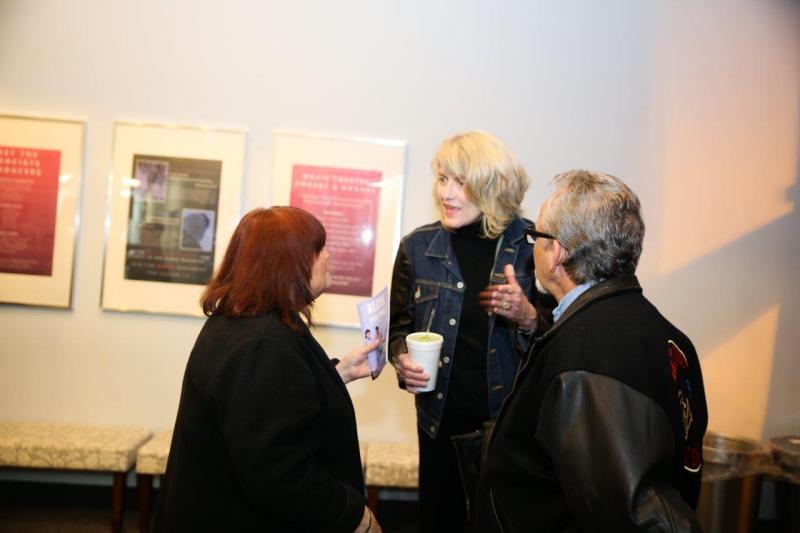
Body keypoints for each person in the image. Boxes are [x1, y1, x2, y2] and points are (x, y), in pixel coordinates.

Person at [477, 170, 708, 532]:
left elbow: (633, 511)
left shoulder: (585, 353)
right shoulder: (669, 336)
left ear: (557, 253)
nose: (531, 246)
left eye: (535, 236)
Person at [154, 206, 382, 532]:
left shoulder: (243, 322)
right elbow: (280, 475)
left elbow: (274, 403)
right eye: (319, 249)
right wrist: (356, 517)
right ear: (291, 263)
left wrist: (338, 372)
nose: (328, 255)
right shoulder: (262, 344)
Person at [388, 131, 553, 532]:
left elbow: (564, 335)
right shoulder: (417, 247)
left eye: (460, 182)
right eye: (442, 178)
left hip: (509, 431)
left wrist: (528, 315)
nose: (446, 192)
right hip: (438, 425)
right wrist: (401, 360)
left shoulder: (534, 246)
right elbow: (398, 328)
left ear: (491, 186)